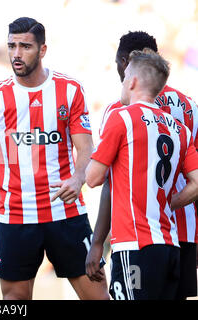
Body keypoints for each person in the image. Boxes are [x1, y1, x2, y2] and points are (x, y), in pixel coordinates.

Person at [0, 17, 109, 300]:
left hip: (66, 212)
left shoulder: (69, 89)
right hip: (16, 215)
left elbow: (86, 148)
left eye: (25, 46)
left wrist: (78, 179)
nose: (16, 53)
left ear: (42, 50)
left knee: (98, 296)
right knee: (14, 300)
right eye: (11, 46)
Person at [87, 31, 198, 300]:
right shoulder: (188, 112)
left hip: (136, 237)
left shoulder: (119, 113)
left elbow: (98, 180)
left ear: (128, 67)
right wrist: (166, 204)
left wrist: (98, 242)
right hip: (177, 234)